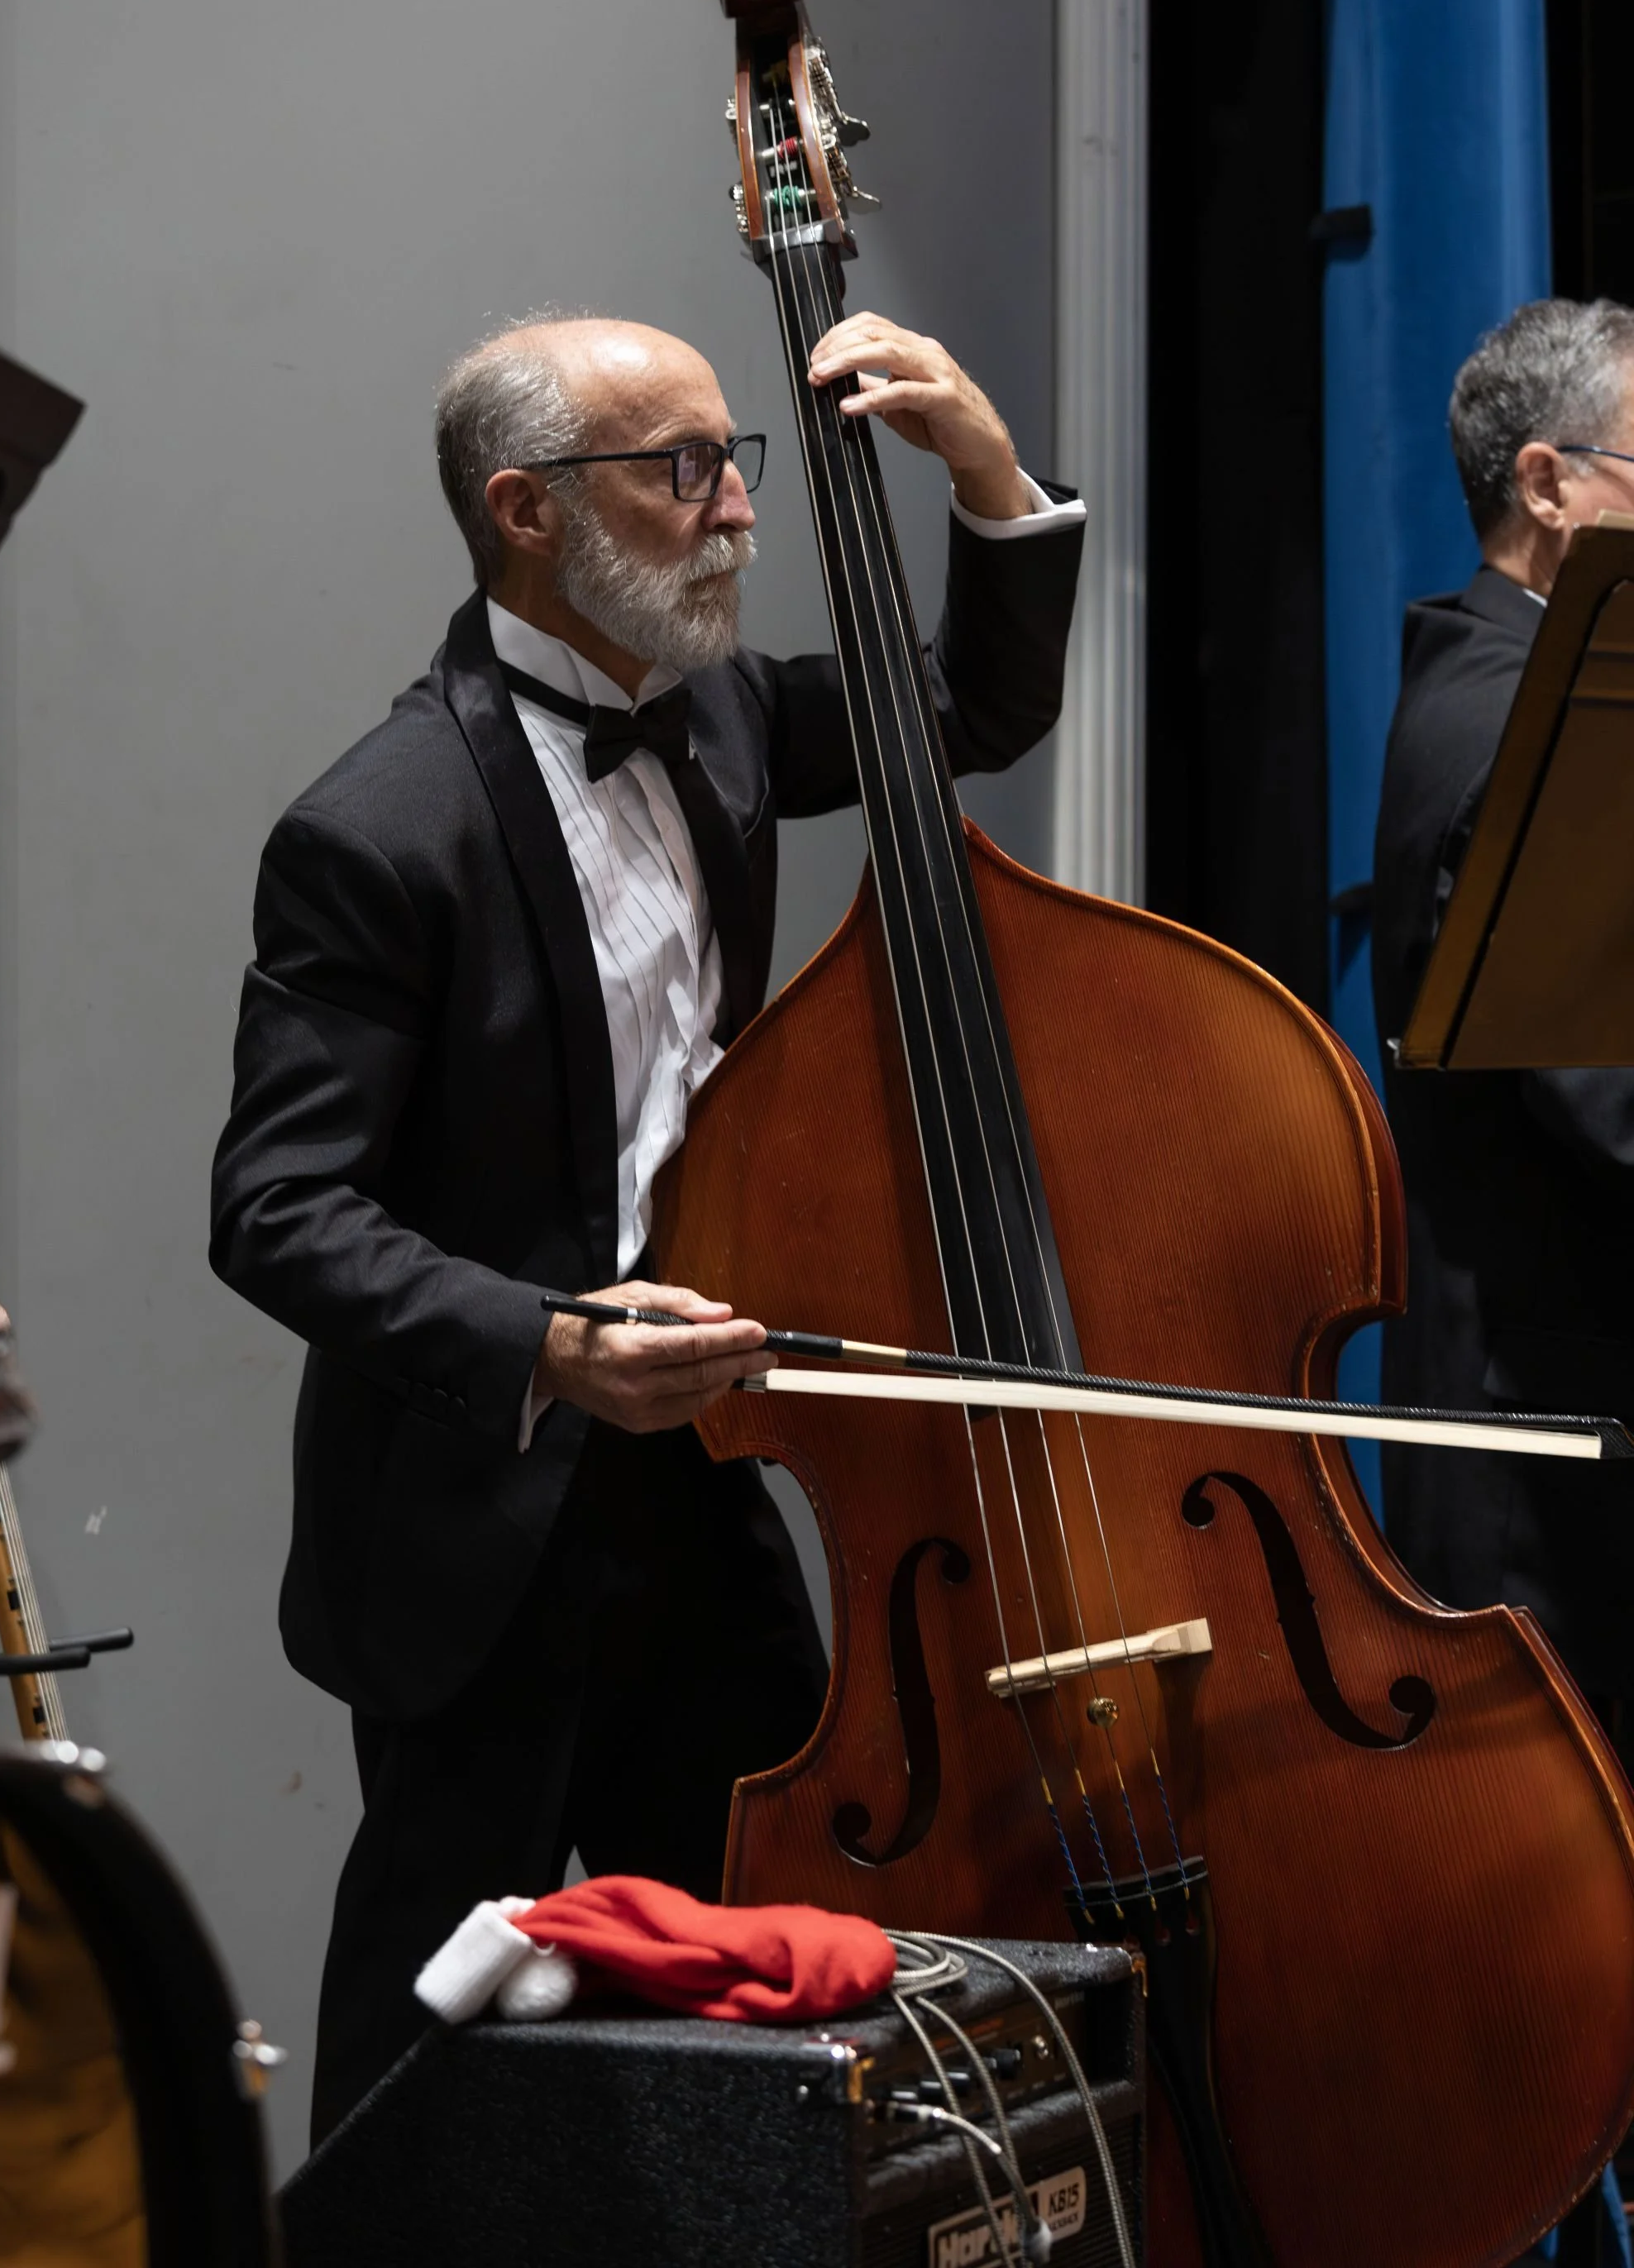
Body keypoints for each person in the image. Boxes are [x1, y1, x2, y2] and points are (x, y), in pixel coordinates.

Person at [209, 308, 1084, 2139]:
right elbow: (277, 1209)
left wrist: (986, 472)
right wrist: (548, 1342)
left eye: (733, 461)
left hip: (699, 1473)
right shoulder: (378, 828)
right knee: (427, 2041)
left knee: (760, 1981)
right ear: (526, 509)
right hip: (478, 1515)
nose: (738, 509)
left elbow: (976, 709)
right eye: (681, 470)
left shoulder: (729, 714)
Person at [1373, 296, 1634, 1713]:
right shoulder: (1513, 718)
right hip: (1552, 1461)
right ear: (1548, 483)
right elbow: (1606, 1089)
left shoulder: (1514, 681)